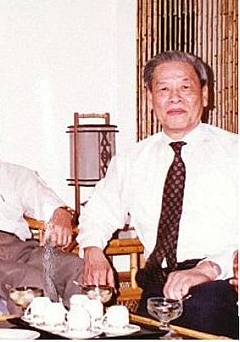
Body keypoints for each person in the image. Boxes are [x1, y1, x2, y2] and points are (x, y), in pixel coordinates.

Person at [77, 51, 238, 338]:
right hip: (156, 287)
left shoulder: (234, 153)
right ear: (151, 99)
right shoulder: (131, 160)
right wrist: (92, 250)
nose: (174, 98)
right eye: (163, 89)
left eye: (185, 87)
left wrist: (210, 268)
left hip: (219, 287)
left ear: (204, 95)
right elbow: (99, 211)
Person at [0, 89, 84, 311]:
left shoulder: (18, 175)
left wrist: (61, 216)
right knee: (32, 282)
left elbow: (54, 207)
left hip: (23, 251)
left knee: (77, 268)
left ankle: (79, 326)